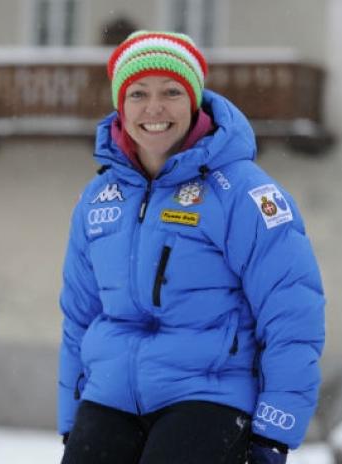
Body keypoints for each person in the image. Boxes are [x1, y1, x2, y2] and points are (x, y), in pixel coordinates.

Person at [57, 30, 325, 464]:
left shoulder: (242, 192)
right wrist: (71, 419)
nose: (154, 108)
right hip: (110, 396)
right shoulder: (99, 198)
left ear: (195, 102)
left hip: (209, 395)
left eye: (172, 92)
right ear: (121, 106)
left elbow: (292, 312)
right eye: (138, 93)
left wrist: (275, 430)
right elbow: (79, 316)